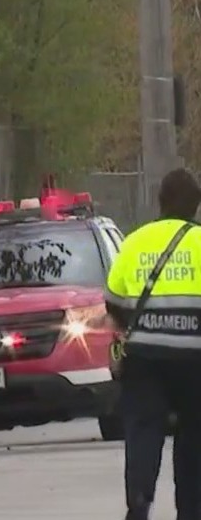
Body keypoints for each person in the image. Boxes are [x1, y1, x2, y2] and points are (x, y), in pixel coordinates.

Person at [104, 168, 201, 520]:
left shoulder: (135, 242)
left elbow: (113, 300)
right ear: (196, 207)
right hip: (194, 359)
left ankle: (140, 503)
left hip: (145, 358)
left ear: (160, 202)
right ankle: (191, 509)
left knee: (144, 433)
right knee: (194, 438)